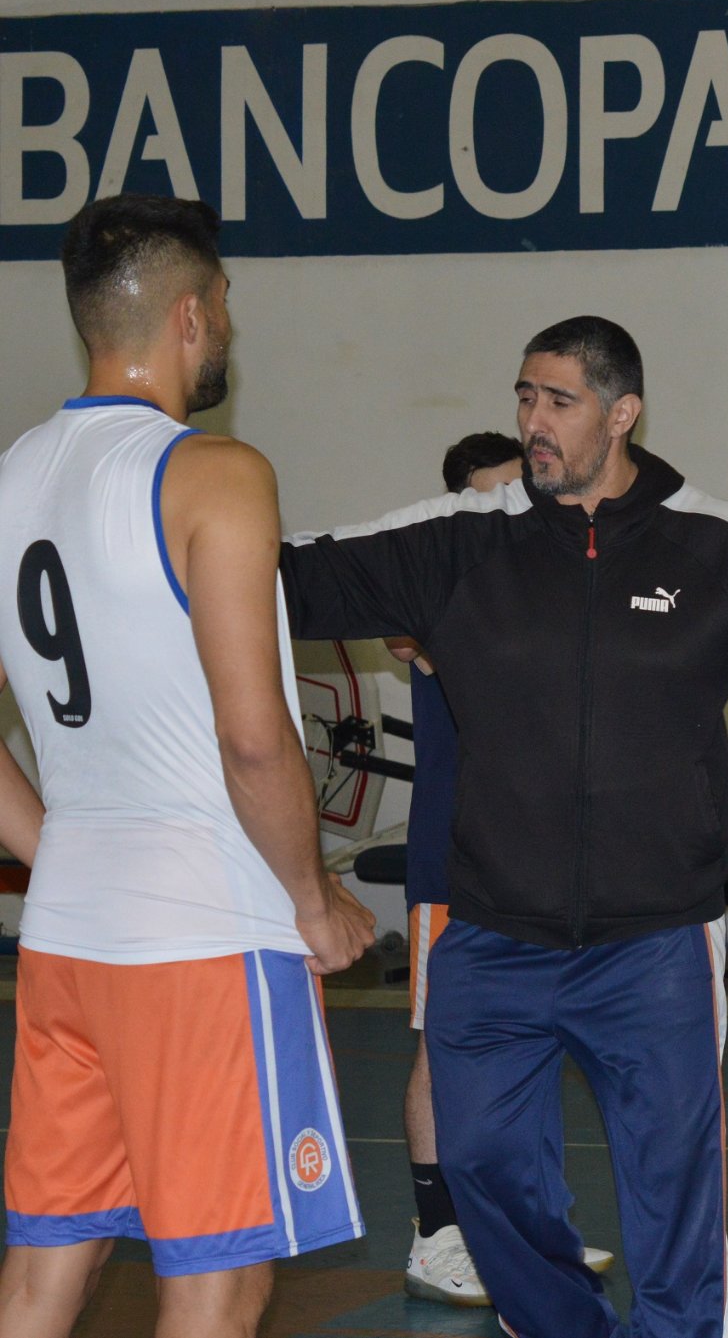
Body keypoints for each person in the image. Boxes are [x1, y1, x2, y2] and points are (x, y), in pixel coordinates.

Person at [278, 316, 728, 1337]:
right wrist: (173, 524)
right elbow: (293, 578)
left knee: (672, 1210)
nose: (533, 422)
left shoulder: (714, 541)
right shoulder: (463, 536)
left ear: (621, 413)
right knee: (476, 1166)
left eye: (557, 402)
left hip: (653, 942)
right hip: (490, 931)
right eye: (524, 396)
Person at [0, 193, 376, 1337]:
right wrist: (311, 899)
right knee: (216, 1279)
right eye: (225, 312)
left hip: (65, 938)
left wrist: (57, 841)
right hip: (203, 935)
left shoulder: (12, 476)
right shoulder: (216, 474)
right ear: (192, 315)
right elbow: (254, 732)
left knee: (41, 1274)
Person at [381, 432, 613, 1304]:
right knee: (445, 1048)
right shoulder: (443, 587)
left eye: (517, 492)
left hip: (537, 861)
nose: (509, 510)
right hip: (454, 859)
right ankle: (437, 1235)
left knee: (529, 1040)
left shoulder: (548, 586)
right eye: (487, 498)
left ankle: (523, 1228)